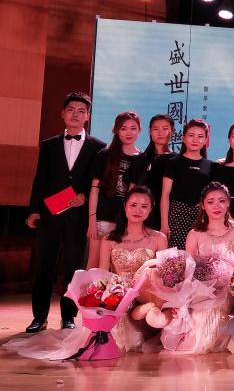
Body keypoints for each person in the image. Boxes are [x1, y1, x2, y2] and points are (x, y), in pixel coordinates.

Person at [25, 92, 106, 333]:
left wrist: (84, 196)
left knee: (73, 268)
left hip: (78, 218)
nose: (75, 115)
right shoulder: (49, 144)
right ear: (63, 113)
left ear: (88, 116)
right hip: (50, 215)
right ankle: (39, 317)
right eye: (71, 110)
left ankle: (68, 316)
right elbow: (40, 180)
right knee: (43, 266)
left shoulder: (98, 147)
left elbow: (97, 182)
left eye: (81, 111)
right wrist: (34, 211)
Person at [181, 182, 234, 353]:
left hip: (232, 291)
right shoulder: (194, 234)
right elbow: (189, 270)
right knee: (200, 319)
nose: (216, 206)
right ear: (203, 206)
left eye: (221, 201)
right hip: (203, 292)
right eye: (210, 202)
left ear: (228, 203)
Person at [97, 186, 168, 351]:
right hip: (119, 295)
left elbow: (164, 275)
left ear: (151, 209)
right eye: (133, 205)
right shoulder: (109, 239)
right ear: (125, 206)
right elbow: (103, 274)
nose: (138, 210)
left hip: (146, 296)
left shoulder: (158, 238)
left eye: (144, 206)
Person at [86, 111, 143, 267]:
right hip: (102, 219)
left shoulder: (141, 158)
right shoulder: (104, 155)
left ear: (139, 130)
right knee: (94, 263)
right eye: (123, 128)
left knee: (119, 267)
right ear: (116, 130)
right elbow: (94, 190)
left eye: (133, 128)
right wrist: (92, 220)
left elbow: (133, 193)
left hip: (124, 222)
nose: (128, 132)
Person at [160, 119, 213, 249]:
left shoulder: (211, 166)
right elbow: (165, 195)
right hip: (177, 215)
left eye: (200, 136)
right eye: (191, 135)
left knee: (199, 254)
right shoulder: (173, 162)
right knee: (176, 255)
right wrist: (164, 224)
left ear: (206, 140)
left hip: (201, 216)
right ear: (183, 138)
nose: (195, 140)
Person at [129, 114, 176, 229]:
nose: (160, 133)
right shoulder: (140, 159)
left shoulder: (177, 160)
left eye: (165, 129)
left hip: (169, 218)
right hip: (141, 215)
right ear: (150, 131)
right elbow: (131, 190)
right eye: (156, 129)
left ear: (173, 131)